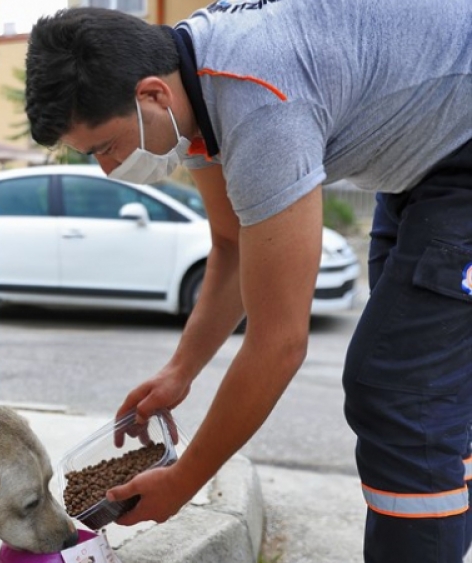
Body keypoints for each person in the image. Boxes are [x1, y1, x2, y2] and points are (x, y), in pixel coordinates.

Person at [24, 2, 472, 561]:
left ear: (152, 96)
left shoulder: (258, 104)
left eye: (105, 147)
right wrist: (179, 371)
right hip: (421, 159)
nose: (109, 170)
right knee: (432, 394)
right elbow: (233, 243)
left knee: (399, 391)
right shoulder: (196, 87)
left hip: (458, 151)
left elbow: (279, 342)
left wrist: (185, 479)